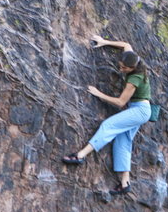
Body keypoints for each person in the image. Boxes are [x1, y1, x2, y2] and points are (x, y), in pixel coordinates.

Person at [62, 35, 151, 195]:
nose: (121, 69)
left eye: (124, 68)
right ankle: (125, 183)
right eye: (120, 65)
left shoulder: (135, 79)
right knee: (122, 141)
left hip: (140, 111)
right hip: (138, 110)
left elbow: (120, 102)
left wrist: (98, 93)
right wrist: (105, 42)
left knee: (108, 125)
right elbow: (126, 43)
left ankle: (80, 155)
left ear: (132, 68)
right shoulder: (134, 58)